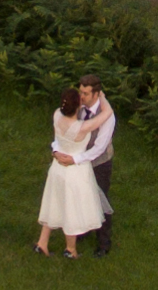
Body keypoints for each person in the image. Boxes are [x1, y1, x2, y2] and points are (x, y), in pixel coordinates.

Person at [33, 82, 110, 258]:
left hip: (57, 168)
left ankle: (42, 243)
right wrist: (102, 96)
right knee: (72, 209)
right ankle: (71, 249)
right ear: (78, 105)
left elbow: (58, 140)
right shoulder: (82, 127)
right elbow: (107, 113)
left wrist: (55, 150)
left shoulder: (56, 116)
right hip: (75, 172)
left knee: (53, 202)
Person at [73, 78, 118, 255]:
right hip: (80, 158)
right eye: (80, 92)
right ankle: (83, 229)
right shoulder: (79, 107)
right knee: (79, 196)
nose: (81, 96)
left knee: (100, 199)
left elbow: (99, 147)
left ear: (96, 94)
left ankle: (104, 242)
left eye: (85, 93)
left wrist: (78, 159)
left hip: (100, 163)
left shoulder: (107, 116)